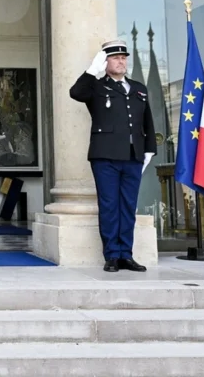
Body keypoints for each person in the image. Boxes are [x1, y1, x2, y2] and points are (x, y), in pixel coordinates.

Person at [69, 39, 155, 273]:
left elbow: (147, 120)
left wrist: (149, 149)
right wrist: (91, 70)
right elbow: (76, 93)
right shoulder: (96, 86)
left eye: (123, 58)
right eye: (115, 58)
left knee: (128, 206)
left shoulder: (138, 88)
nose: (121, 61)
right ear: (105, 62)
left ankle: (126, 254)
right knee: (109, 206)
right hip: (105, 156)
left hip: (133, 156)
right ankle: (112, 255)